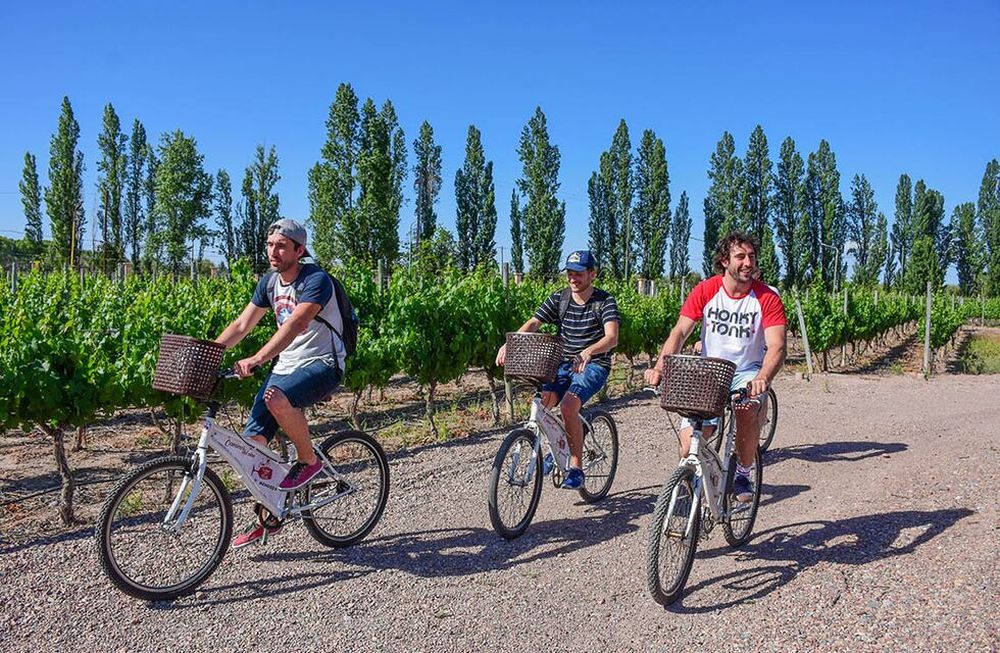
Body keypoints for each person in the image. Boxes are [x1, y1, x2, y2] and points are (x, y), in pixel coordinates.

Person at [214, 218, 347, 547]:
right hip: (287, 365)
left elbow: (296, 324)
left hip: (323, 363)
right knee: (253, 445)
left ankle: (310, 461)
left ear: (299, 250)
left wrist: (257, 359)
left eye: (281, 246)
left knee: (276, 398)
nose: (273, 251)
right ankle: (269, 516)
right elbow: (243, 323)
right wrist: (209, 353)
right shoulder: (269, 282)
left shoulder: (316, 280)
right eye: (270, 244)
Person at [644, 232, 786, 501]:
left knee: (746, 408)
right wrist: (660, 368)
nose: (748, 262)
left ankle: (743, 472)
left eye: (751, 257)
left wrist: (763, 378)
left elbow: (777, 345)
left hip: (746, 371)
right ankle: (702, 480)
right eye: (740, 256)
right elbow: (680, 332)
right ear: (724, 261)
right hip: (710, 371)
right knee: (688, 448)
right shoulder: (707, 290)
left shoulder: (766, 298)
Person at [495, 250, 620, 489]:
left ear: (592, 274)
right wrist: (511, 343)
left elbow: (612, 337)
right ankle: (561, 443)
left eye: (579, 273)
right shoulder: (559, 299)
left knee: (568, 406)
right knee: (543, 402)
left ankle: (576, 467)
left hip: (593, 364)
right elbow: (534, 322)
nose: (573, 278)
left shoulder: (605, 301)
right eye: (570, 273)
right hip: (562, 364)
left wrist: (589, 351)